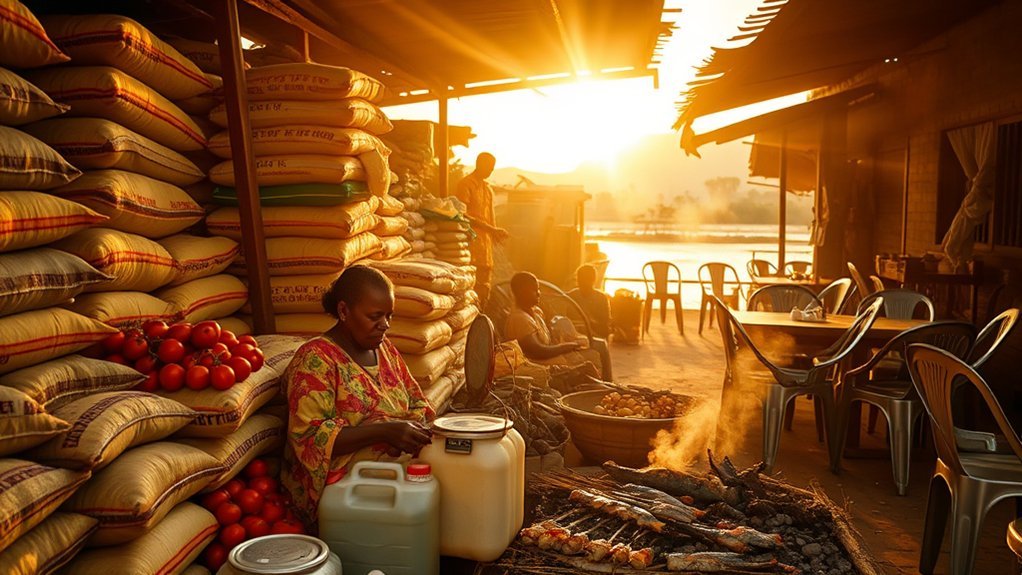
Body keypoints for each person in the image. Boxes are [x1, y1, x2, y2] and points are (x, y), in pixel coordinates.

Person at [281, 265, 434, 531]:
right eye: (375, 316)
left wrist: (407, 431)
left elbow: (416, 400)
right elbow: (309, 437)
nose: (384, 325)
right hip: (346, 492)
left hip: (393, 471)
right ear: (343, 311)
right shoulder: (316, 360)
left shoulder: (384, 348)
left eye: (389, 316)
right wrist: (385, 432)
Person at [504, 271, 612, 380]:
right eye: (534, 290)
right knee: (592, 357)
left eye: (538, 289)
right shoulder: (520, 319)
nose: (538, 293)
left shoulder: (534, 312)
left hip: (550, 355)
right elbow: (538, 352)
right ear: (521, 292)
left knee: (598, 346)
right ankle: (603, 389)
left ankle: (608, 386)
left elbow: (548, 330)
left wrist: (565, 337)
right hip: (539, 364)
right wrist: (567, 346)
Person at [455, 152, 509, 309]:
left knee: (484, 292)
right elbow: (462, 214)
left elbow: (490, 218)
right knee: (470, 292)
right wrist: (492, 229)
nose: (491, 171)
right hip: (471, 248)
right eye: (489, 167)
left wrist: (495, 234)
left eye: (493, 168)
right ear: (480, 164)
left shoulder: (488, 189)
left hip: (486, 252)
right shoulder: (466, 184)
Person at [567, 264, 613, 340]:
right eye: (580, 279)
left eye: (586, 279)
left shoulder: (601, 298)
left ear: (593, 280)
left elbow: (605, 325)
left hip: (595, 338)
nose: (582, 282)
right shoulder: (571, 296)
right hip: (574, 337)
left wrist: (590, 323)